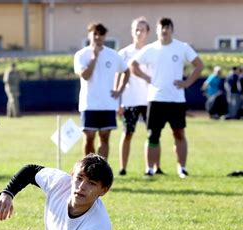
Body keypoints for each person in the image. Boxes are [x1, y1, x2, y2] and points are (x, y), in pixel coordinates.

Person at [0, 153, 179, 230]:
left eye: (91, 183)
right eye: (79, 178)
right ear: (72, 175)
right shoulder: (61, 183)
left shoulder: (96, 229)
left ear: (103, 191)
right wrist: (7, 193)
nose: (81, 186)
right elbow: (30, 171)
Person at [130, 17, 204, 178]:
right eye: (161, 28)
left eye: (167, 27)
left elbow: (199, 65)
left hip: (176, 99)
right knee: (153, 135)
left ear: (172, 29)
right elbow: (133, 65)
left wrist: (187, 82)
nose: (164, 30)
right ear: (157, 30)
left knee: (179, 133)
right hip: (156, 98)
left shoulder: (182, 47)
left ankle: (182, 168)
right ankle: (149, 169)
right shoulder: (151, 49)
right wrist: (146, 77)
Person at [74, 22, 130, 158]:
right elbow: (85, 76)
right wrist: (94, 57)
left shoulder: (113, 55)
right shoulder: (81, 55)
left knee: (105, 138)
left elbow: (126, 71)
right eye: (95, 34)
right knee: (89, 137)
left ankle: (101, 169)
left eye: (101, 34)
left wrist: (119, 90)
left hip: (107, 103)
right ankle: (88, 168)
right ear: (89, 35)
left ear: (105, 36)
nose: (98, 37)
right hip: (89, 104)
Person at [117, 17, 163, 176]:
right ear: (132, 31)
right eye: (136, 29)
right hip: (130, 99)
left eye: (142, 29)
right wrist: (118, 102)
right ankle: (123, 168)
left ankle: (155, 167)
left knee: (153, 133)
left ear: (148, 32)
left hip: (151, 99)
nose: (139, 32)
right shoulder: (124, 53)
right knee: (128, 133)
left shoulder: (154, 51)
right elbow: (117, 78)